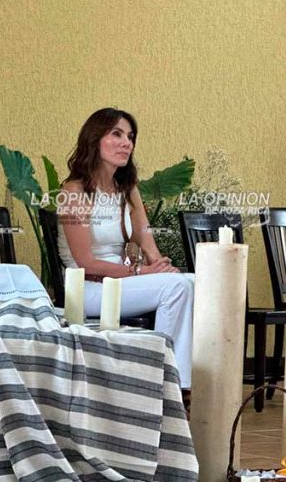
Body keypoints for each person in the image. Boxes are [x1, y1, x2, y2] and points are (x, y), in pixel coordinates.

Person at [58, 107, 195, 389]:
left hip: (122, 281)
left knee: (192, 282)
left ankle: (183, 380)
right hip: (89, 288)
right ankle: (159, 381)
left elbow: (147, 241)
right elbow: (85, 262)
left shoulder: (127, 189)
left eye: (130, 137)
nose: (127, 143)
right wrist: (141, 272)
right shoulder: (73, 192)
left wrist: (161, 266)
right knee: (176, 288)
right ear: (94, 139)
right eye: (116, 134)